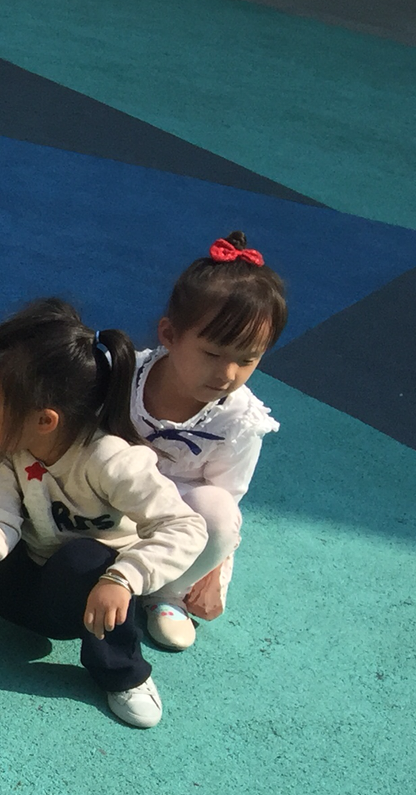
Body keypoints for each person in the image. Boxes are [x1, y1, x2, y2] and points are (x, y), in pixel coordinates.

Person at [0, 299, 208, 730]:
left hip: (85, 603)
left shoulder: (109, 459)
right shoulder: (5, 449)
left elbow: (186, 526)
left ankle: (123, 672)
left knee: (85, 559)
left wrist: (124, 579)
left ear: (45, 420)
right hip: (17, 590)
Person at [103, 232, 287, 653]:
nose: (227, 374)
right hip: (110, 497)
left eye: (247, 359)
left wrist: (199, 560)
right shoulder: (123, 374)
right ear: (169, 334)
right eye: (212, 353)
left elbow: (226, 499)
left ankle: (165, 592)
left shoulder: (239, 419)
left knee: (219, 513)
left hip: (175, 518)